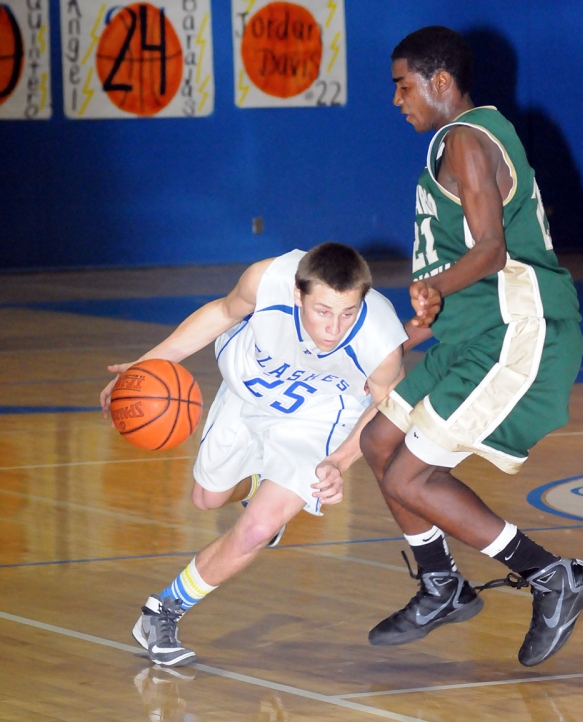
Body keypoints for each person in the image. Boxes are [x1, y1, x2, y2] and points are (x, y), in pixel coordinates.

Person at [359, 26, 583, 667]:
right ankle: (442, 587)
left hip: (519, 334)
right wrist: (434, 313)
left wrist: (433, 287)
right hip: (475, 333)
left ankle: (552, 577)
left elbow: (492, 250)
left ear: (441, 81)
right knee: (379, 443)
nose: (396, 99)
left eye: (402, 85)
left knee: (412, 474)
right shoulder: (458, 140)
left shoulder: (467, 139)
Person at [100, 242, 407, 666]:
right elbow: (221, 314)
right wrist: (141, 368)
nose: (335, 328)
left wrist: (339, 462)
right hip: (247, 390)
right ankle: (259, 484)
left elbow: (384, 405)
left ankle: (163, 612)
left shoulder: (381, 340)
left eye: (348, 312)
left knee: (257, 527)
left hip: (316, 422)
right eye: (323, 311)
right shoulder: (267, 280)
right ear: (298, 294)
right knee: (206, 498)